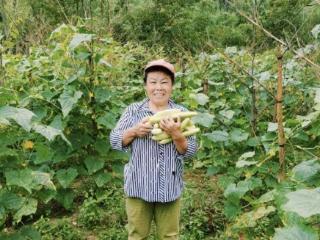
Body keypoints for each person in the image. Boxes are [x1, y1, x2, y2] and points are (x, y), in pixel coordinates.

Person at [110, 59, 198, 240]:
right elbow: (114, 140)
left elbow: (190, 151)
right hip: (138, 186)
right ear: (145, 86)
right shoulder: (134, 111)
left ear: (172, 86)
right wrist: (134, 131)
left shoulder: (180, 113)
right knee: (137, 236)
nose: (159, 87)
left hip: (169, 188)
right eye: (153, 82)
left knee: (169, 236)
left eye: (164, 82)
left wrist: (176, 135)